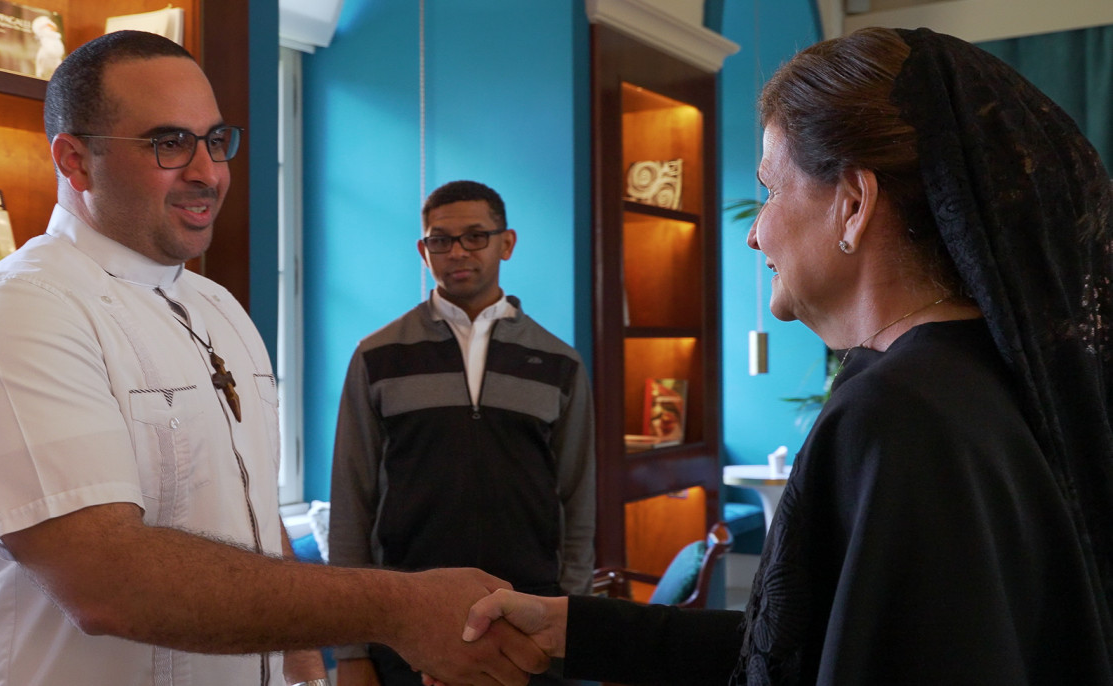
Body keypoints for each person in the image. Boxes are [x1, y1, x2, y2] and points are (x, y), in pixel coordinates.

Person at [459, 27, 1113, 685]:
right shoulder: (974, 377)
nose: (754, 233)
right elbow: (805, 642)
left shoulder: (900, 412)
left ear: (852, 205)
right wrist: (569, 629)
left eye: (771, 189)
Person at [0, 31, 546, 686]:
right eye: (169, 143)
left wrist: (306, 674)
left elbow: (254, 521)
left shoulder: (219, 308)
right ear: (75, 161)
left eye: (215, 141)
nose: (208, 172)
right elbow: (107, 581)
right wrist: (401, 608)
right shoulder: (18, 313)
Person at [328, 180, 596, 686]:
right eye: (440, 240)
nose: (457, 252)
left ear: (506, 243)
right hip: (405, 618)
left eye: (475, 236)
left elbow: (578, 500)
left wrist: (573, 617)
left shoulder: (559, 362)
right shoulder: (378, 356)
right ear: (423, 250)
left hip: (530, 617)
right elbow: (351, 501)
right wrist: (350, 649)